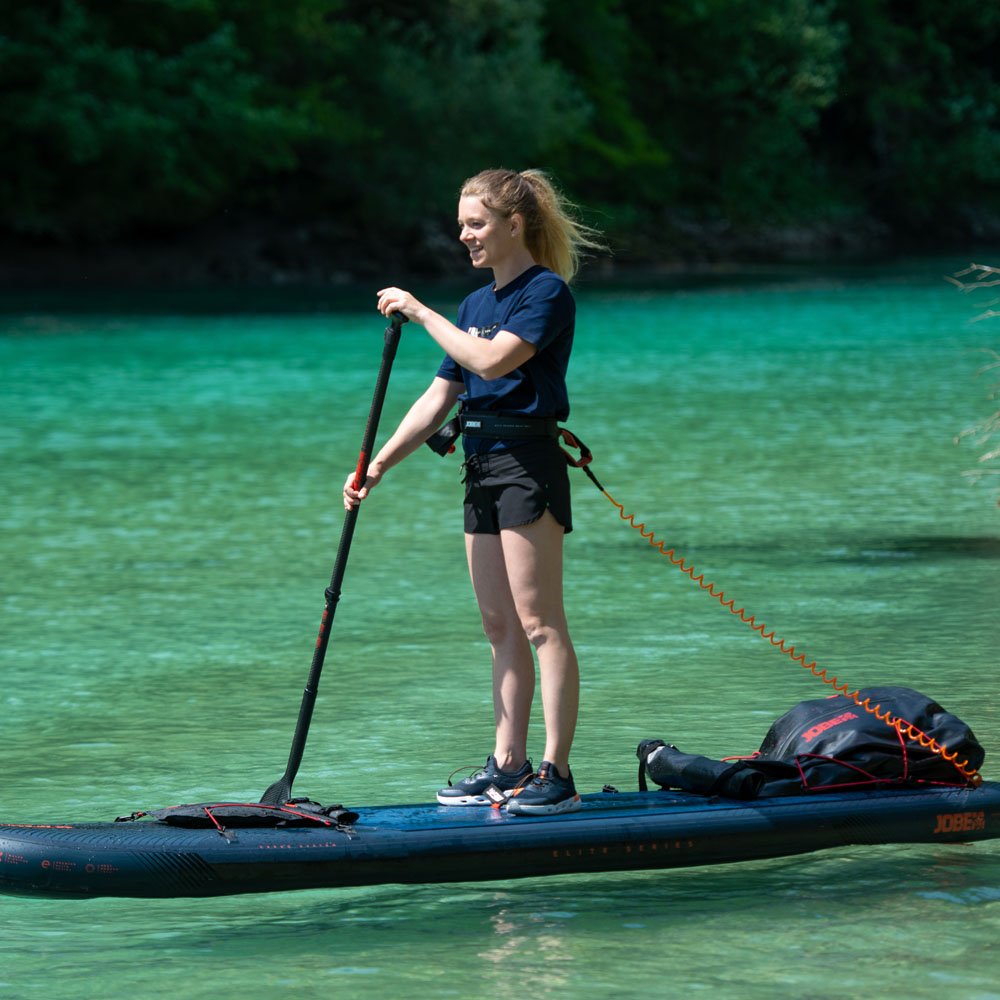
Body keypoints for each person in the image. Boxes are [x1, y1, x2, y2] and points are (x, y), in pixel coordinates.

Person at [344, 168, 601, 815]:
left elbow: (491, 362)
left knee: (542, 624)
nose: (465, 236)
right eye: (462, 224)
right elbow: (439, 397)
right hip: (481, 464)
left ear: (515, 224)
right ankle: (505, 767)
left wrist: (420, 309)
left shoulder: (547, 294)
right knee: (497, 626)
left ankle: (557, 774)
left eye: (477, 223)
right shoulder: (473, 307)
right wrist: (378, 465)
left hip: (527, 462)